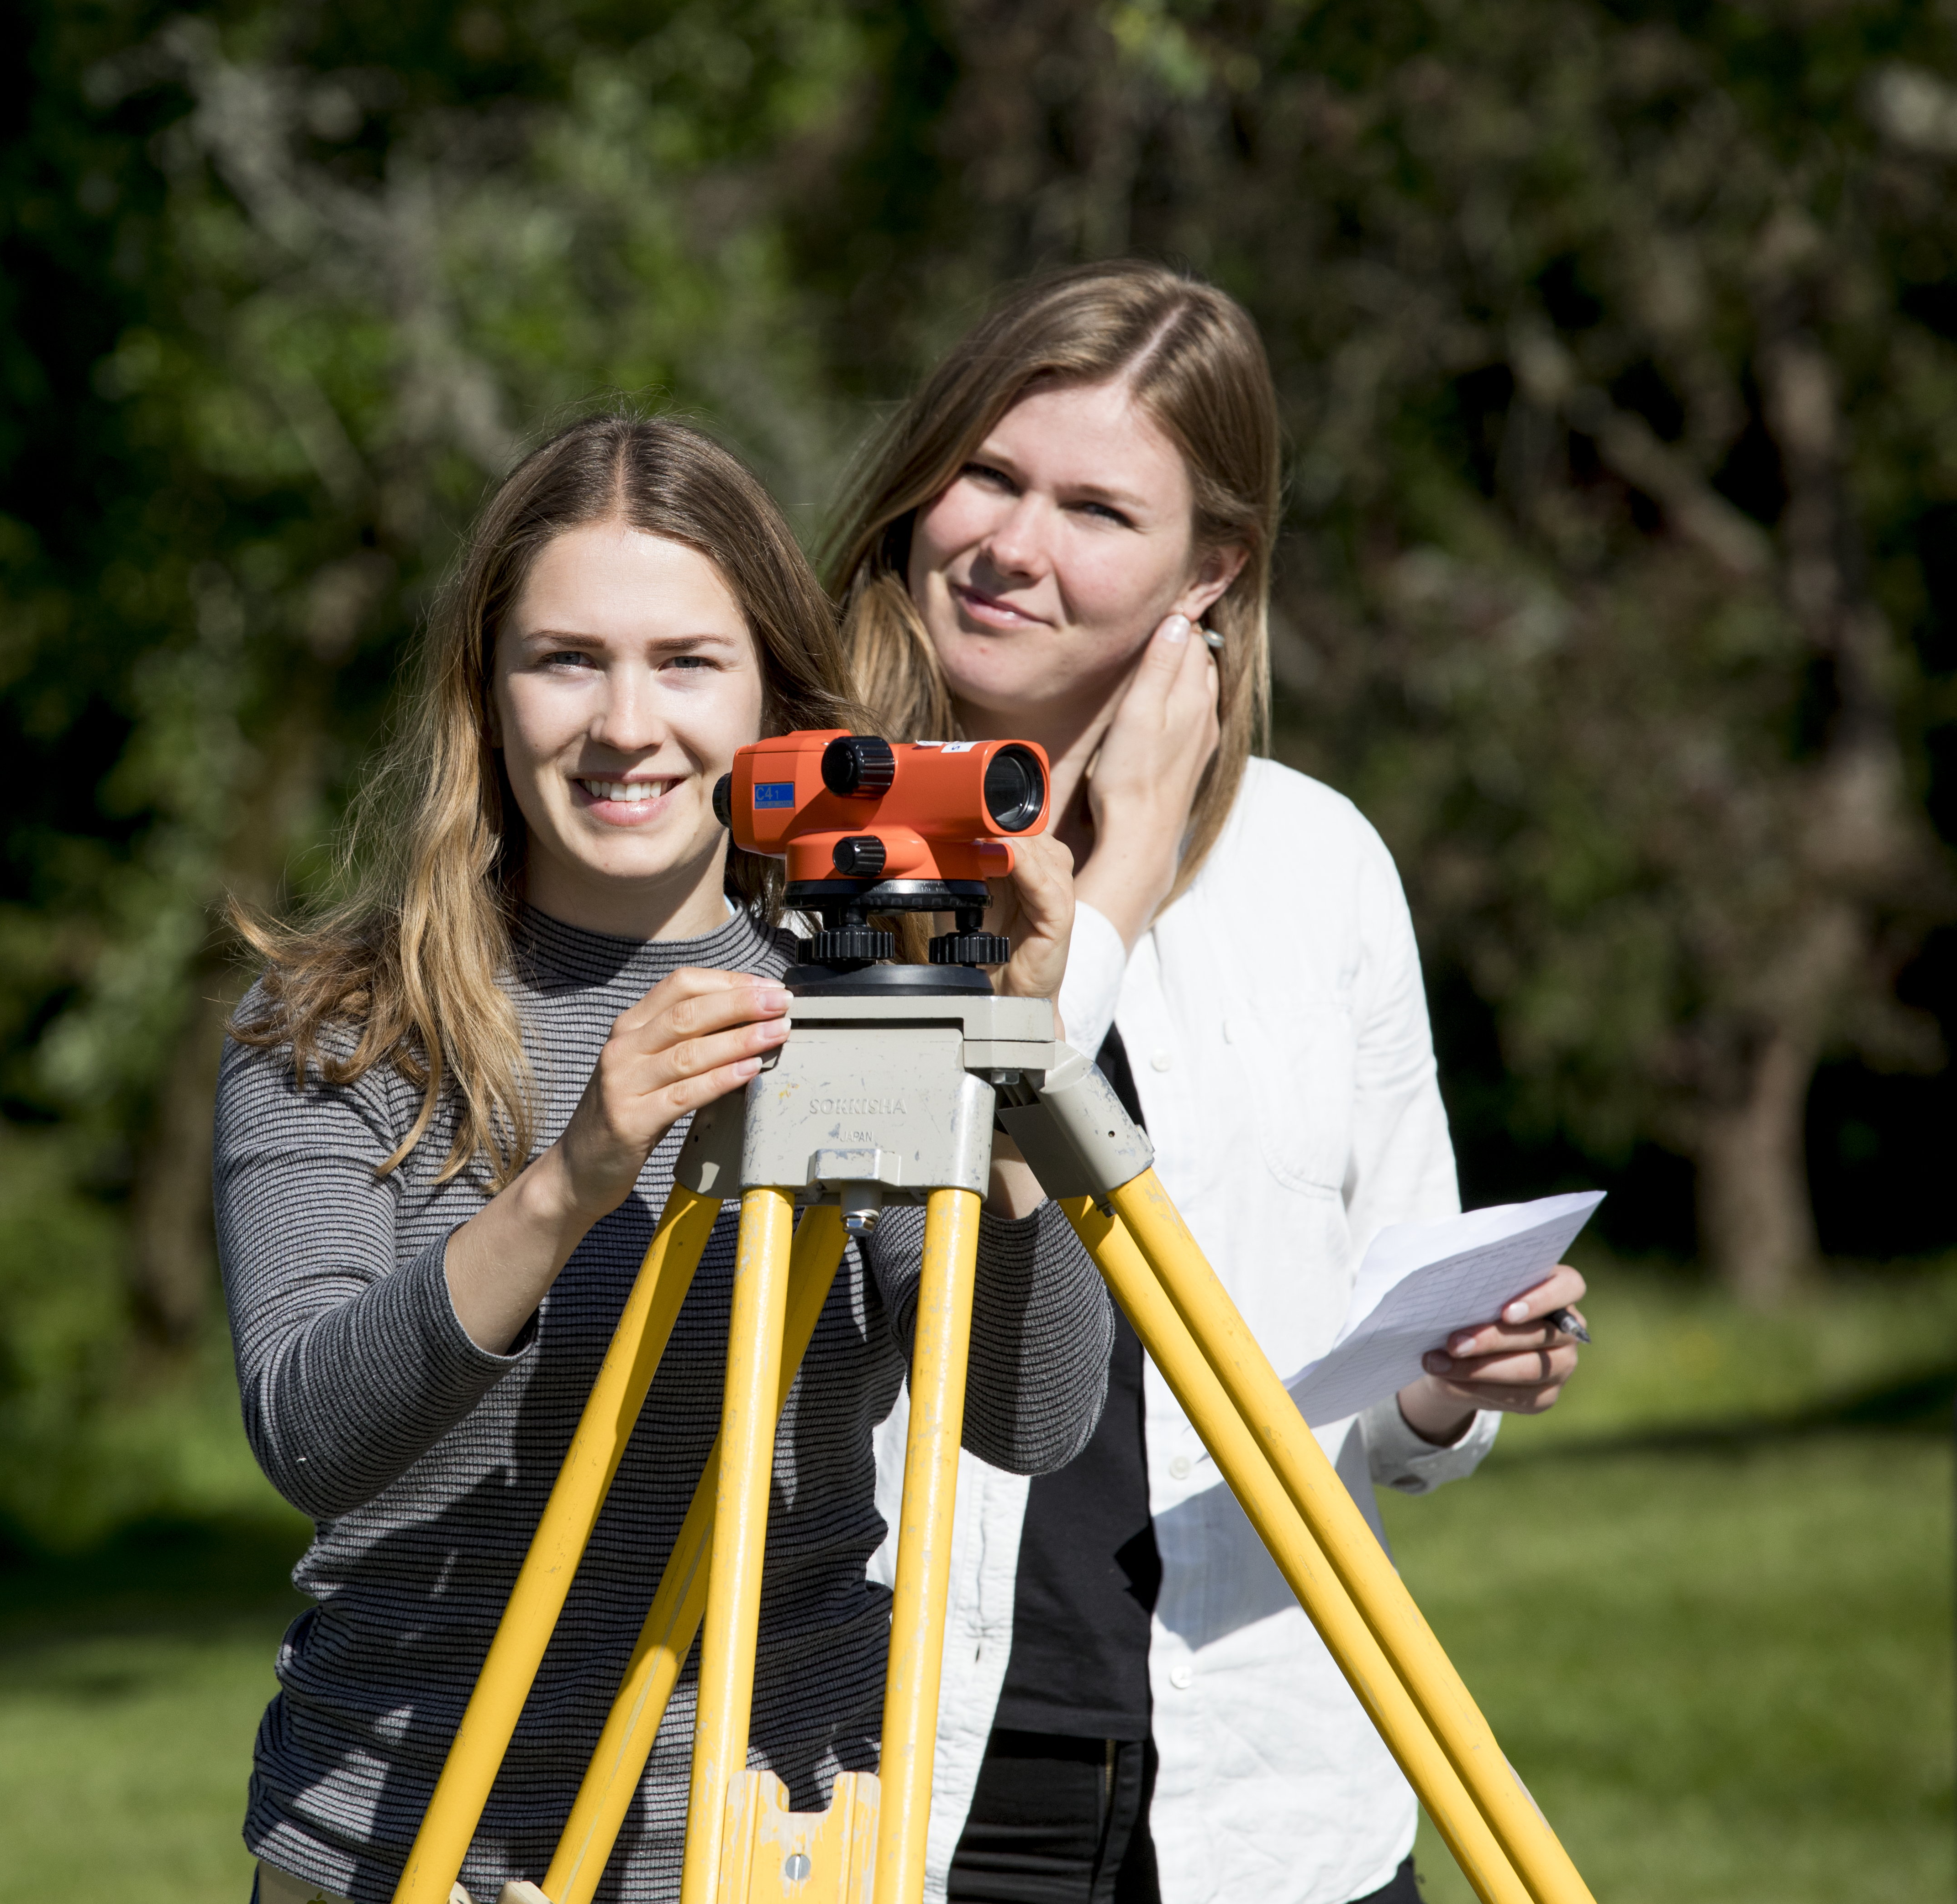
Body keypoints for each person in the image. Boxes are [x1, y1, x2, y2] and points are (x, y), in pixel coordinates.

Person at [215, 411, 1119, 1904]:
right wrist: (569, 1179)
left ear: (774, 694)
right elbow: (312, 1432)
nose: (626, 724)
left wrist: (1009, 1063)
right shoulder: (340, 1023)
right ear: (485, 691)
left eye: (687, 662)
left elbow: (1029, 1415)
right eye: (567, 658)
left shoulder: (853, 1002)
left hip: (770, 1837)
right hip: (405, 1833)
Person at [832, 263, 1590, 1904]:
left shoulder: (1321, 860)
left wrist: (1460, 1373)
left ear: (1212, 571)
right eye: (989, 472)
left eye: (1097, 507)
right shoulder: (814, 829)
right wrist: (1117, 879)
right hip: (912, 1786)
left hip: (1278, 1790)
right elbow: (940, 1156)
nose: (1013, 544)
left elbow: (1383, 1404)